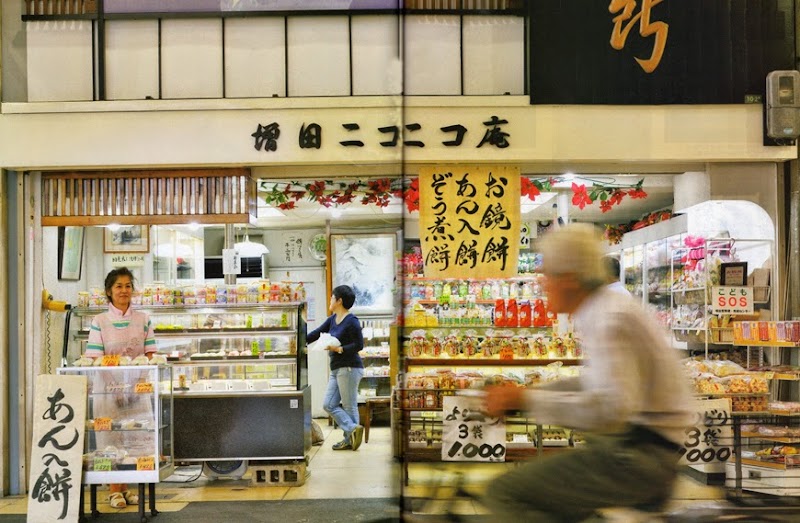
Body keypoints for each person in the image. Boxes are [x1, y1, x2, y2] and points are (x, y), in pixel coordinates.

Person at [482, 224, 693, 522]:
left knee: (505, 493)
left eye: (547, 275)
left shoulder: (609, 318)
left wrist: (527, 400)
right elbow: (595, 385)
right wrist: (527, 395)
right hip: (637, 448)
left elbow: (611, 408)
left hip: (638, 455)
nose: (541, 284)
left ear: (569, 279)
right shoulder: (601, 309)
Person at [84, 267, 157, 509]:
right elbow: (95, 357)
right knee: (110, 438)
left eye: (128, 286)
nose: (124, 291)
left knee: (136, 439)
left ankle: (127, 487)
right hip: (107, 390)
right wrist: (115, 386)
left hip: (138, 389)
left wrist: (138, 383)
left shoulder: (143, 319)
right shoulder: (100, 321)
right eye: (118, 286)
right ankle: (113, 489)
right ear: (109, 291)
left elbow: (150, 354)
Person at [307, 285, 365, 451]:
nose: (330, 300)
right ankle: (353, 430)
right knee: (328, 404)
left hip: (349, 368)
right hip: (337, 368)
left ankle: (350, 440)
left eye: (332, 297)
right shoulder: (332, 319)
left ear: (339, 301)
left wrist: (339, 349)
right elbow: (317, 333)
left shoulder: (351, 321)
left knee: (349, 406)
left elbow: (359, 345)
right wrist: (300, 340)